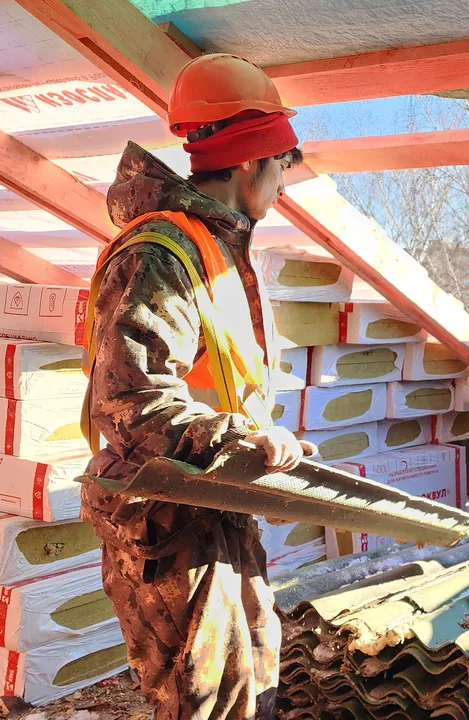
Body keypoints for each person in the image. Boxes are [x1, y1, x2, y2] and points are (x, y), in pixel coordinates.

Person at [80, 54, 313, 720]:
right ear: (251, 162)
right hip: (170, 517)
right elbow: (133, 403)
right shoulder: (163, 254)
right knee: (203, 707)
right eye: (284, 163)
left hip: (211, 503)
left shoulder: (212, 250)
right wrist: (246, 437)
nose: (284, 182)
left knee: (250, 690)